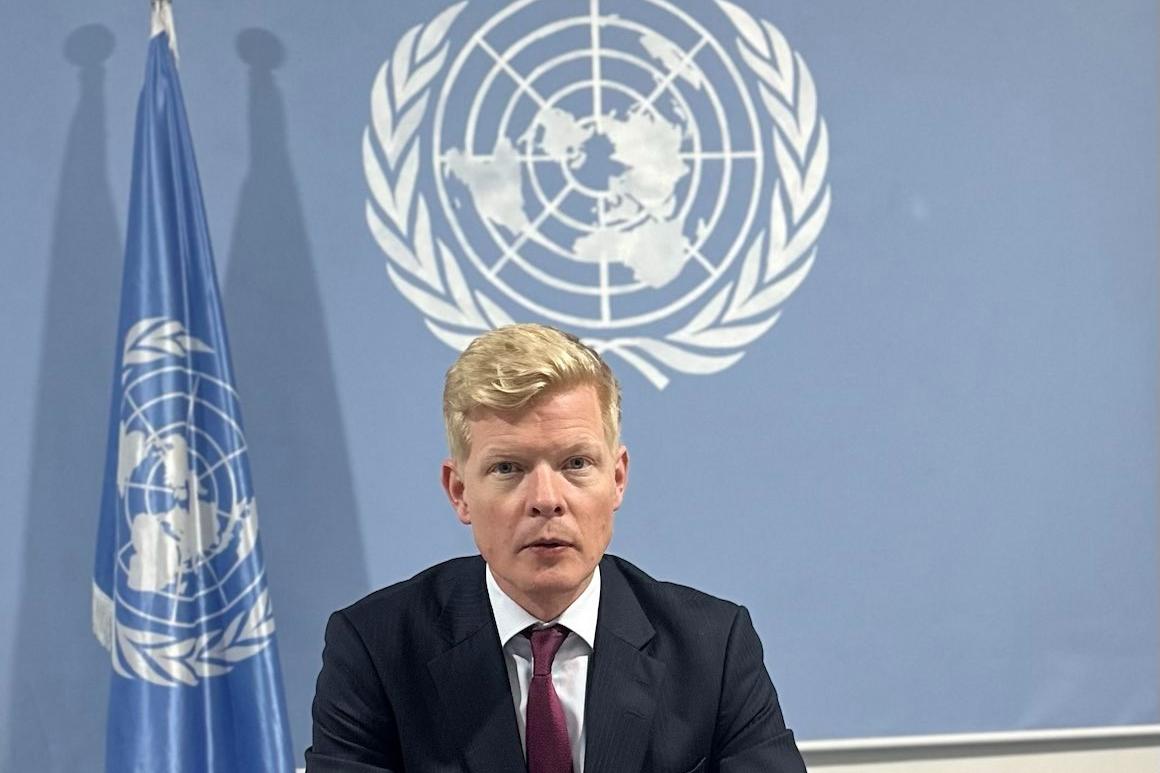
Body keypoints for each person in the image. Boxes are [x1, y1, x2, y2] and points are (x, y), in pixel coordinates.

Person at [306, 324, 806, 772]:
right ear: (459, 492)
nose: (546, 500)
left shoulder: (712, 648)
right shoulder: (376, 649)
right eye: (508, 468)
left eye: (575, 464)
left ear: (617, 479)